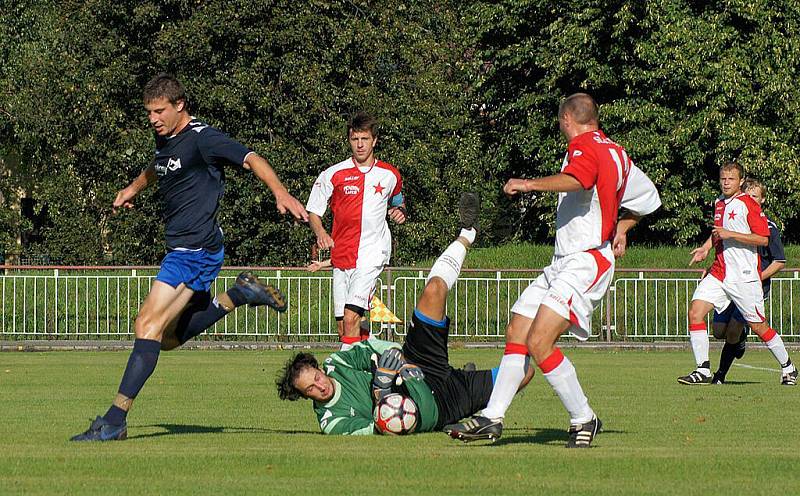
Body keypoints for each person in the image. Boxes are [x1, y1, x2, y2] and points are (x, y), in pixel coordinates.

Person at [71, 73, 309, 442]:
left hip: (195, 251)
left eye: (159, 111)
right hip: (183, 250)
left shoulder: (203, 139)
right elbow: (159, 165)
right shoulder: (165, 138)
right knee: (165, 339)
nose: (153, 118)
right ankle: (237, 296)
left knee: (147, 325)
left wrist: (280, 191)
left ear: (180, 105)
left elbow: (251, 158)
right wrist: (132, 188)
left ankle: (114, 420)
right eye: (149, 112)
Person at [444, 93, 661, 447]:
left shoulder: (583, 146)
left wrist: (527, 184)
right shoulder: (618, 153)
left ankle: (584, 418)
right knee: (518, 328)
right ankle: (492, 417)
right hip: (564, 262)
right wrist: (622, 229)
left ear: (566, 120)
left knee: (540, 341)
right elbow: (648, 199)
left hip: (585, 260)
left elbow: (580, 180)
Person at [277, 193, 534, 435]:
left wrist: (402, 361)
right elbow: (382, 428)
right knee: (525, 372)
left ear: (319, 368)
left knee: (433, 290)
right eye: (310, 389)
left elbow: (380, 349)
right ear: (304, 397)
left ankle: (468, 233)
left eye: (317, 377)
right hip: (447, 406)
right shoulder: (331, 421)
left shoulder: (339, 364)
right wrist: (382, 392)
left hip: (420, 364)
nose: (320, 386)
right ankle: (481, 411)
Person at [680, 164, 796, 386]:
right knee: (695, 312)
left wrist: (730, 233)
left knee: (759, 326)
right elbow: (718, 233)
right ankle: (703, 369)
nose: (726, 182)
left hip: (743, 277)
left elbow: (762, 238)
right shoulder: (719, 203)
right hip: (720, 272)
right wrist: (706, 247)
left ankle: (788, 367)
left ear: (740, 182)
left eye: (731, 179)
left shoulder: (748, 204)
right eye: (723, 178)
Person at [305, 112, 406, 350]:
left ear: (374, 140)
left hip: (372, 255)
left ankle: (348, 380)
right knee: (344, 329)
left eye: (364, 139)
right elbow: (313, 212)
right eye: (355, 139)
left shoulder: (390, 175)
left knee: (351, 318)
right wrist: (320, 233)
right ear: (349, 140)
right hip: (342, 257)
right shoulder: (333, 174)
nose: (360, 144)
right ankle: (382, 355)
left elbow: (398, 201)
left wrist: (400, 211)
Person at [709, 179, 787, 384]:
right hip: (730, 282)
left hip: (752, 285)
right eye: (747, 195)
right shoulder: (734, 220)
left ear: (762, 200)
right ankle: (741, 341)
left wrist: (755, 277)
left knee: (734, 329)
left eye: (755, 197)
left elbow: (779, 261)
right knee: (718, 331)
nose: (749, 200)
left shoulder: (769, 228)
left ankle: (720, 375)